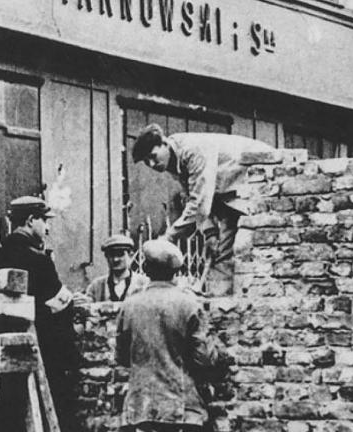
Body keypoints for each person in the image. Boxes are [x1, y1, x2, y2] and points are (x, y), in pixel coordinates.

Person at [132, 123, 275, 295]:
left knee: (247, 248)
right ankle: (220, 304)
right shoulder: (173, 160)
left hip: (262, 179)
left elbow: (200, 204)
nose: (152, 164)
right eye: (147, 162)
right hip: (232, 194)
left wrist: (169, 237)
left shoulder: (193, 150)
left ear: (164, 143)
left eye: (153, 156)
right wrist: (210, 233)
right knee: (220, 254)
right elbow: (196, 195)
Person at [0, 196, 79, 432]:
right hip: (40, 354)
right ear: (30, 220)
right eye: (45, 220)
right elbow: (61, 308)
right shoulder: (40, 261)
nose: (48, 227)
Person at [116, 239, 218, 432]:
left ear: (145, 268)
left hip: (139, 409)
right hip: (181, 410)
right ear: (176, 272)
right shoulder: (188, 304)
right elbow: (204, 359)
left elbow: (121, 358)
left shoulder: (128, 306)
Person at [83, 234, 149, 302]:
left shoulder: (143, 283)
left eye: (120, 254)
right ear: (106, 257)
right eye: (111, 255)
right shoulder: (96, 286)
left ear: (130, 255)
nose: (115, 259)